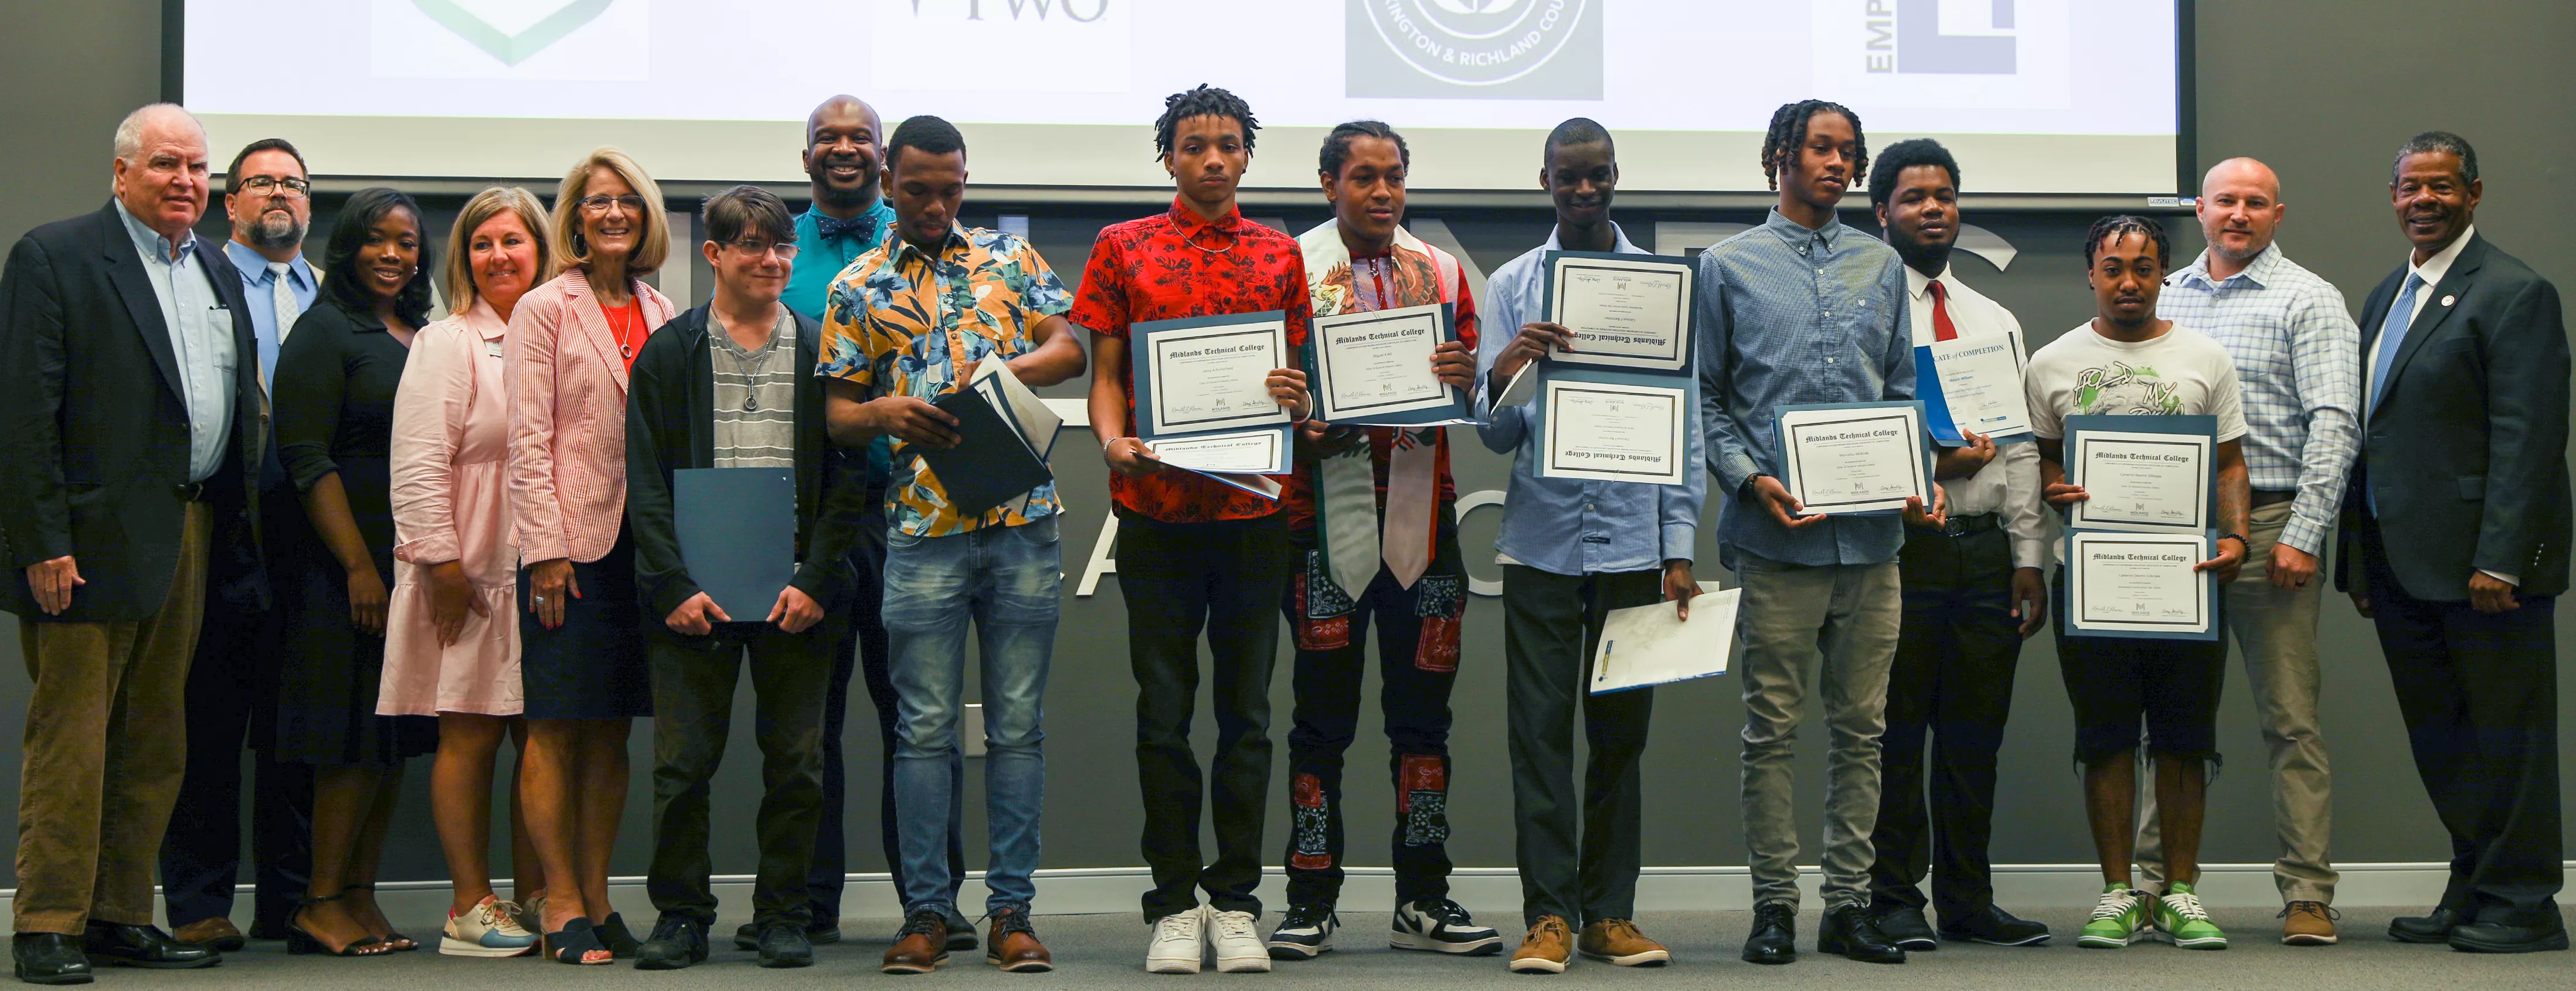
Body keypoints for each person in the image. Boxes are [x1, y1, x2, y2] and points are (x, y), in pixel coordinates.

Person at [0, 102, 260, 984]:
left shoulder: (218, 269)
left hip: (188, 528)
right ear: (121, 174)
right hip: (84, 542)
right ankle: (45, 921)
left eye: (196, 166)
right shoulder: (57, 256)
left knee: (157, 738)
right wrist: (41, 538)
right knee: (73, 739)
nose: (185, 180)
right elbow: (25, 415)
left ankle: (116, 913)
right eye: (164, 165)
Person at [818, 115, 1083, 975]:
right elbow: (838, 415)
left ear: (966, 181)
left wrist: (1004, 375)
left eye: (951, 189)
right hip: (923, 532)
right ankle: (927, 911)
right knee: (923, 730)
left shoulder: (1011, 262)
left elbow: (1067, 346)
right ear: (889, 179)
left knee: (1016, 728)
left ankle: (1012, 911)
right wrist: (884, 413)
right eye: (919, 188)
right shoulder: (857, 284)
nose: (936, 204)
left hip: (1019, 523)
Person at [1071, 84, 1313, 975]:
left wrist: (1296, 392)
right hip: (1155, 515)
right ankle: (1174, 900)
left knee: (1246, 717)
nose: (1211, 158)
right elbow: (1103, 372)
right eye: (1192, 144)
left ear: (1247, 155)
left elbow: (1301, 382)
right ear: (1167, 155)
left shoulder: (1281, 254)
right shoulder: (1120, 247)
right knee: (1163, 716)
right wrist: (1110, 440)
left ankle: (1238, 899)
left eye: (1226, 145)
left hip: (1252, 514)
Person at [1699, 99, 1938, 966]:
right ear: (1778, 157)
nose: (1839, 165)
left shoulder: (1880, 264)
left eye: (1849, 153)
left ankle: (1847, 905)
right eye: (1822, 149)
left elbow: (1902, 388)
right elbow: (1709, 398)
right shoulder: (1727, 266)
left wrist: (1914, 476)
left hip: (1873, 543)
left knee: (1862, 731)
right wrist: (1749, 478)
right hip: (1777, 539)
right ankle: (1773, 906)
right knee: (1770, 730)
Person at [1264, 120, 1498, 962]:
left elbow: (1467, 388)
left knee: (1424, 725)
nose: (1381, 192)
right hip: (1320, 528)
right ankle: (1308, 896)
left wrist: (1468, 379)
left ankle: (1422, 897)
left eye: (1393, 176)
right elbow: (1267, 391)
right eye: (1362, 177)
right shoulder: (1285, 264)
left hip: (1424, 527)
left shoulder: (1439, 269)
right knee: (1318, 726)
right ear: (1328, 182)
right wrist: (1300, 421)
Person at [1475, 118, 1704, 975]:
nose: (1582, 189)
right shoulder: (1512, 283)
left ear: (1615, 176)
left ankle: (1609, 913)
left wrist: (1676, 543)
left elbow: (1684, 426)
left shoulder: (1659, 287)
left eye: (1596, 175)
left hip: (1634, 549)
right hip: (1539, 545)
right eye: (1567, 177)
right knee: (1537, 736)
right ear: (1544, 180)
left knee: (1619, 739)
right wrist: (1506, 369)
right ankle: (1547, 917)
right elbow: (1495, 436)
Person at [625, 185, 869, 971]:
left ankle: (782, 913)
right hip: (694, 592)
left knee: (797, 762)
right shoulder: (670, 352)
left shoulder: (821, 347)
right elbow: (646, 479)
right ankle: (681, 914)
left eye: (782, 247)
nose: (771, 260)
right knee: (681, 766)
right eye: (753, 246)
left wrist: (818, 578)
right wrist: (671, 585)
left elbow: (848, 477)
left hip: (797, 591)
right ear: (714, 255)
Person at [2339, 131, 2567, 954]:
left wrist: (2500, 557)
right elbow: (2373, 438)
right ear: (2392, 196)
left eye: (2440, 187)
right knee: (2442, 736)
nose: (2422, 201)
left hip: (2484, 567)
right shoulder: (2382, 297)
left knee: (2507, 736)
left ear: (2474, 193)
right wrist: (2359, 560)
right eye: (2409, 187)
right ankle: (2474, 880)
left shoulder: (2513, 292)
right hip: (2401, 566)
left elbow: (2528, 439)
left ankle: (2526, 899)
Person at [2143, 156, 2360, 946]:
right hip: (2169, 532)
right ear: (2198, 208)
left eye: (2255, 202)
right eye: (2225, 200)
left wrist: (2303, 533)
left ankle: (2307, 892)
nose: (2238, 213)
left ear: (2277, 213)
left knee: (2290, 721)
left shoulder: (2308, 300)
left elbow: (2335, 423)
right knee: (2165, 719)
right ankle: (2153, 885)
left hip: (2270, 526)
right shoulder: (2162, 294)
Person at [783, 93, 977, 953]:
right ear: (807, 156)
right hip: (809, 514)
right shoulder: (775, 247)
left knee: (918, 714)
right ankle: (810, 901)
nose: (844, 149)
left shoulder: (922, 247)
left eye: (859, 136)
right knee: (808, 719)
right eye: (828, 137)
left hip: (913, 508)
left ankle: (932, 900)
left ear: (887, 164)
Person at [2027, 214, 2251, 952]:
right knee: (2105, 738)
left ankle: (2180, 891)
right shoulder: (2052, 362)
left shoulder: (2204, 357)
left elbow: (2227, 464)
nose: (2129, 282)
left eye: (2145, 267)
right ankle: (2118, 892)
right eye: (2113, 267)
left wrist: (2238, 536)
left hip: (2185, 581)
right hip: (2091, 583)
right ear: (2089, 273)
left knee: (2186, 739)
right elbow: (2043, 460)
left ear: (2163, 274)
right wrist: (2058, 486)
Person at [1858, 138, 2054, 951]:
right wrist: (1925, 467)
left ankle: (1967, 898)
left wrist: (2027, 559)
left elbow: (2018, 450)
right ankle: (1893, 898)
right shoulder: (1863, 312)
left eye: (1943, 195)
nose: (1931, 208)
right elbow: (1856, 434)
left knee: (1975, 736)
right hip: (1901, 548)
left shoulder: (1990, 319)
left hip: (1982, 552)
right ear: (1881, 214)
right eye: (1912, 197)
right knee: (1897, 734)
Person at [505, 146, 678, 965]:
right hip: (565, 550)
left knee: (611, 733)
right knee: (555, 727)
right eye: (598, 202)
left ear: (646, 219)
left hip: (639, 550)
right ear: (575, 216)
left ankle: (601, 895)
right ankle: (559, 901)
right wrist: (544, 549)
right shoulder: (543, 307)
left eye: (629, 204)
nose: (614, 214)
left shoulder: (663, 308)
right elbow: (528, 437)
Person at [269, 186, 444, 956]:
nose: (392, 254)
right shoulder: (324, 331)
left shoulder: (421, 332)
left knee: (390, 736)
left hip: (413, 566)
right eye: (376, 240)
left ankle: (362, 895)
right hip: (345, 569)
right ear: (348, 248)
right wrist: (359, 568)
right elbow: (308, 459)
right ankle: (319, 899)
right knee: (344, 737)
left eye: (406, 243)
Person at [382, 186, 555, 957]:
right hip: (469, 563)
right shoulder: (445, 342)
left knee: (541, 733)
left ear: (541, 250)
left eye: (512, 240)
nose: (497, 256)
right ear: (465, 260)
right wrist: (441, 565)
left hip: (549, 562)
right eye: (481, 243)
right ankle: (467, 905)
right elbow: (416, 464)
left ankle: (538, 896)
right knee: (472, 731)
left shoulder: (560, 332)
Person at [158, 136, 319, 952]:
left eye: (292, 183)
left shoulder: (329, 292)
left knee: (296, 735)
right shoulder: (203, 281)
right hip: (220, 535)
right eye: (260, 183)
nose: (278, 195)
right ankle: (195, 901)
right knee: (209, 728)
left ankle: (291, 903)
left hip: (311, 547)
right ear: (232, 203)